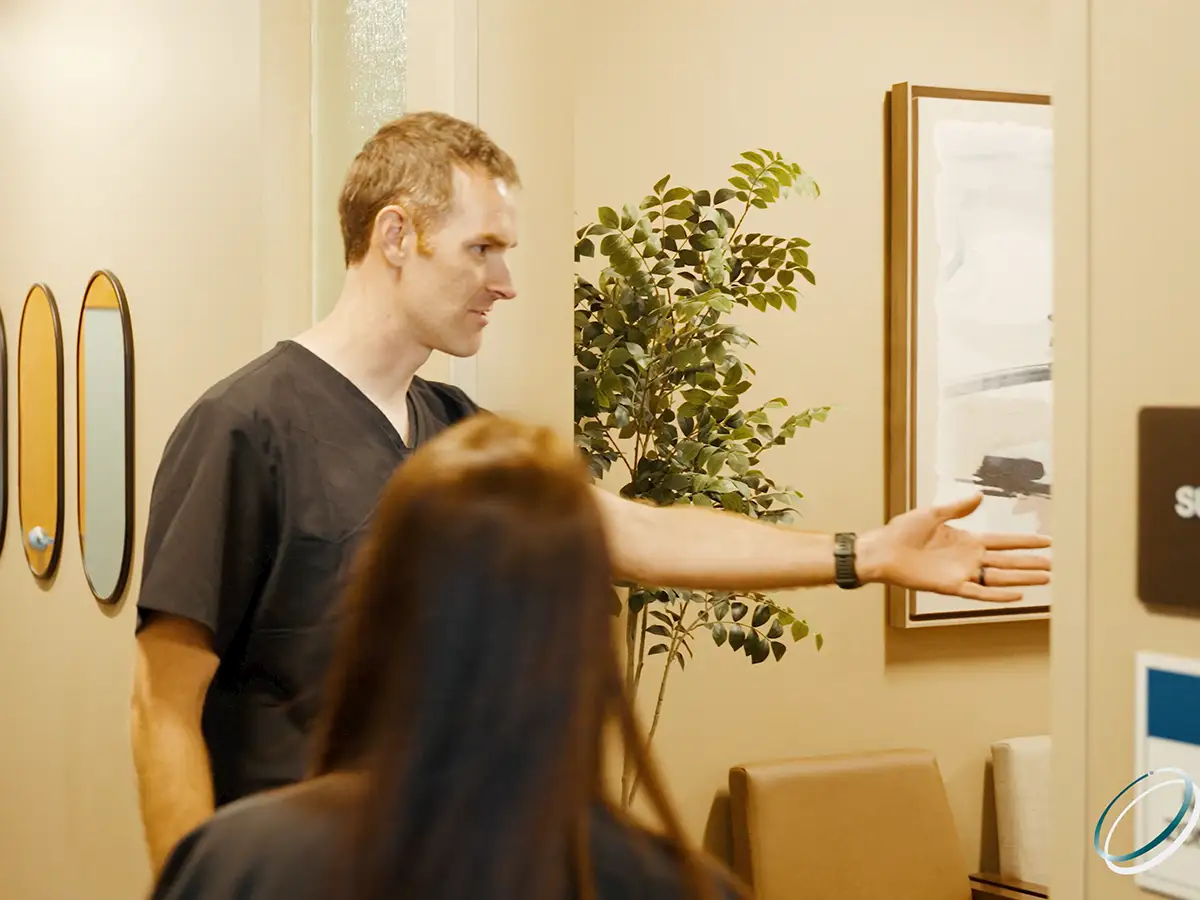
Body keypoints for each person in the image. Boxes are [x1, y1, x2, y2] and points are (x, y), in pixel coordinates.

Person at [130, 110, 1052, 875]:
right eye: (483, 247)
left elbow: (632, 531)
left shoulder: (457, 430)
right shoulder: (244, 426)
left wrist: (860, 554)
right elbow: (161, 707)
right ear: (396, 235)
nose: (507, 282)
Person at [147, 414, 744, 900]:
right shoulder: (686, 887)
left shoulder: (239, 864)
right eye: (483, 254)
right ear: (585, 634)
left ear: (378, 610)